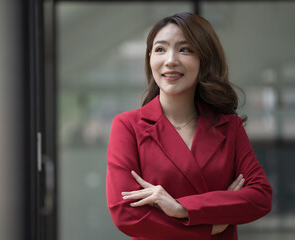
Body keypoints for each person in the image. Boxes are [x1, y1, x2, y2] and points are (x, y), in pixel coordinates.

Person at [106, 12, 272, 240]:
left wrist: (181, 208)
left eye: (185, 49)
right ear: (150, 58)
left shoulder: (229, 126)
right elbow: (126, 214)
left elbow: (260, 197)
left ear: (204, 59)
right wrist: (212, 223)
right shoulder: (128, 126)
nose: (170, 60)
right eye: (160, 49)